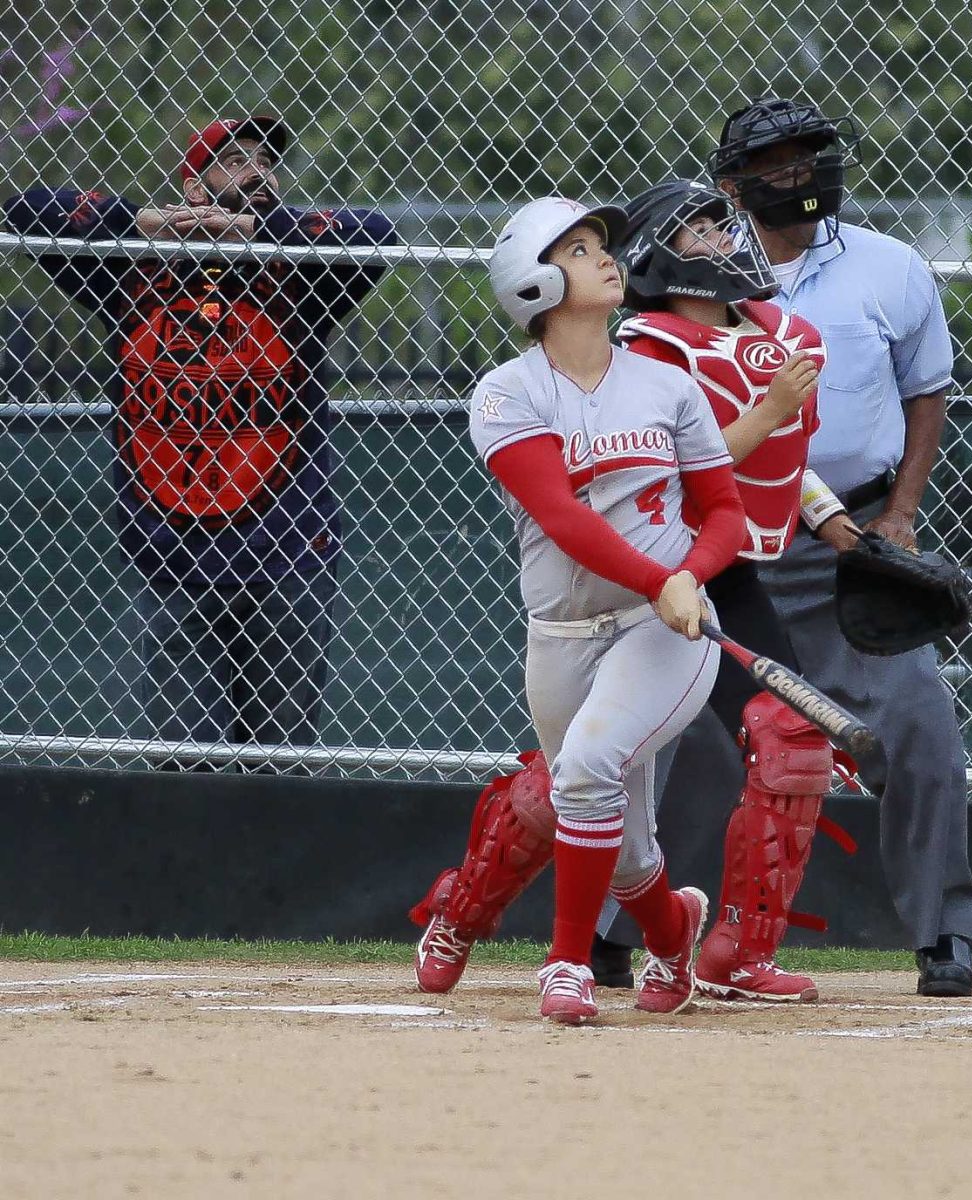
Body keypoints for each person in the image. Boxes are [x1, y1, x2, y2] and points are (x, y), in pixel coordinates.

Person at [417, 195, 747, 1024]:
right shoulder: (504, 394)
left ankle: (565, 965)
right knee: (617, 833)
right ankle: (673, 933)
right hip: (561, 635)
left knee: (590, 767)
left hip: (662, 632)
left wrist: (691, 574)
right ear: (533, 284)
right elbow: (562, 520)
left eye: (601, 245)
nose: (605, 257)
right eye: (576, 249)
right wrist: (656, 576)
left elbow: (724, 512)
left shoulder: (668, 386)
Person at [3, 115, 398, 771]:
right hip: (175, 559)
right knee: (187, 767)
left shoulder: (301, 272)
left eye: (266, 161)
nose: (257, 172)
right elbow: (27, 210)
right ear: (193, 186)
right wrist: (146, 225)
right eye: (235, 160)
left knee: (283, 766)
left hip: (287, 556)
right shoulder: (130, 271)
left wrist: (248, 230)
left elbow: (377, 235)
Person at [702, 97, 972, 996]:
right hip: (721, 537)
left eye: (808, 155)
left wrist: (900, 513)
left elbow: (925, 390)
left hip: (846, 536)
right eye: (774, 161)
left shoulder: (888, 267)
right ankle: (621, 932)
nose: (797, 174)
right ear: (730, 185)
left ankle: (943, 933)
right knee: (674, 735)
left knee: (919, 725)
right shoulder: (693, 273)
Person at [589, 179, 864, 1002]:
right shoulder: (646, 349)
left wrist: (836, 525)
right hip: (649, 571)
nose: (720, 239)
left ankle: (738, 951)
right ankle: (476, 903)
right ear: (657, 256)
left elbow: (781, 456)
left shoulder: (757, 335)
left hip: (728, 570)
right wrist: (776, 401)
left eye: (719, 224)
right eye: (699, 230)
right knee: (589, 762)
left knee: (792, 739)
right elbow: (682, 466)